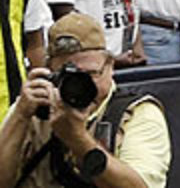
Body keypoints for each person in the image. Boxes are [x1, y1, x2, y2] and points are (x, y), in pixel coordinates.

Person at [0, 12, 170, 186]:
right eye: (68, 76)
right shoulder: (34, 108)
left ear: (110, 66)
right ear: (50, 71)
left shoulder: (136, 114)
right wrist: (20, 116)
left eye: (91, 73)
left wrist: (78, 140)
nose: (80, 84)